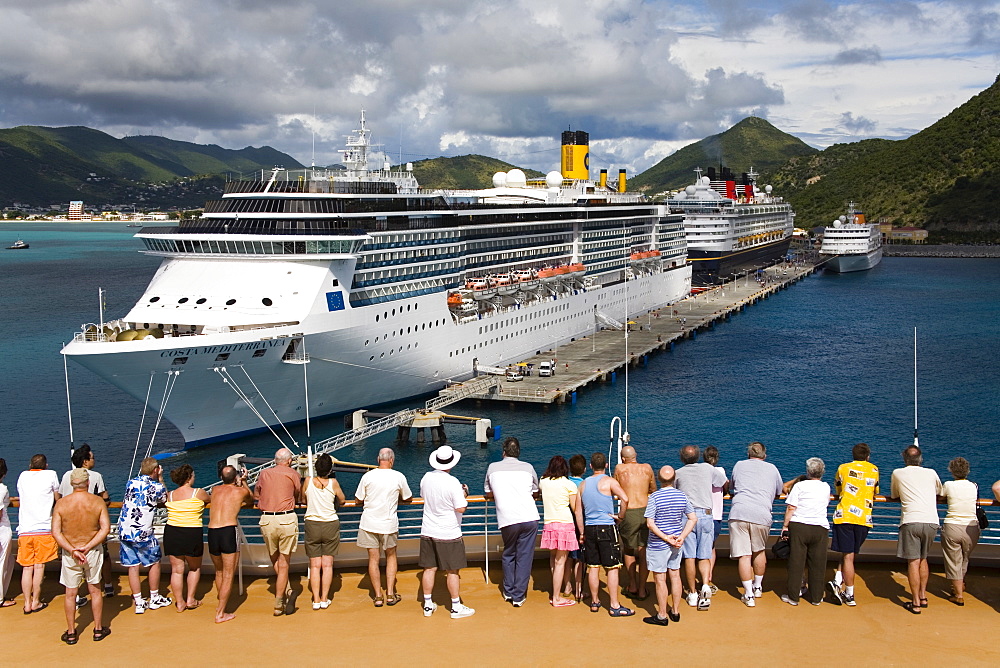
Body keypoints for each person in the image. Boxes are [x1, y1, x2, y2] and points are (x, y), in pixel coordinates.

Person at [51, 469, 111, 644]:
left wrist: (73, 550)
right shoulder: (97, 501)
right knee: (95, 590)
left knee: (70, 593)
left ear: (71, 483)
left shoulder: (61, 504)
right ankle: (98, 629)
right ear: (87, 483)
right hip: (91, 551)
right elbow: (104, 529)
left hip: (71, 553)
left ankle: (71, 632)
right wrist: (88, 546)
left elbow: (56, 532)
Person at [419, 445, 475, 618]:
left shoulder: (426, 478)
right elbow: (460, 508)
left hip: (428, 529)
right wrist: (463, 492)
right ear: (451, 463)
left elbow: (423, 496)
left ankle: (428, 605)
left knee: (429, 568)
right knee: (453, 571)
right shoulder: (453, 482)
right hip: (448, 532)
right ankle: (456, 607)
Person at [575, 452, 632, 616]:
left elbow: (579, 512)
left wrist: (582, 533)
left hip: (590, 528)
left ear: (591, 467)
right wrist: (620, 517)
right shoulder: (609, 481)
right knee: (612, 567)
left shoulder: (583, 485)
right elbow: (625, 499)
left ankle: (594, 601)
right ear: (606, 465)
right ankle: (614, 605)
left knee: (593, 567)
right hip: (607, 527)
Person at [484, 436, 539, 607]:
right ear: (518, 452)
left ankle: (508, 591)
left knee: (509, 553)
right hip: (529, 517)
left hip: (507, 519)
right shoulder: (528, 468)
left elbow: (487, 492)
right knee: (524, 556)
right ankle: (518, 595)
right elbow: (535, 491)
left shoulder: (493, 468)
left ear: (504, 452)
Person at [355, 447, 412, 608]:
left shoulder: (368, 476)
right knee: (391, 557)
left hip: (369, 523)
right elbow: (408, 497)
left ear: (378, 459)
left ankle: (378, 596)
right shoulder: (398, 476)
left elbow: (358, 499)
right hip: (388, 524)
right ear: (392, 460)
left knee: (373, 559)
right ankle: (390, 594)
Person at [888, 445, 943, 614]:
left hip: (911, 521)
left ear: (905, 458)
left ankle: (916, 602)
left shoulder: (898, 473)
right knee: (923, 558)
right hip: (931, 521)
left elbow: (895, 495)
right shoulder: (932, 473)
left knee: (913, 561)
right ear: (921, 459)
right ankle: (923, 595)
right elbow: (939, 492)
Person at [728, 441, 783, 607]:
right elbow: (779, 491)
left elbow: (732, 486)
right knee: (759, 552)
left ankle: (748, 594)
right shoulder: (772, 468)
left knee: (744, 555)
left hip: (739, 513)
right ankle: (758, 587)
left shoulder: (739, 465)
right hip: (762, 514)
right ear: (764, 455)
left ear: (748, 454)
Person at [59, 444, 114, 603]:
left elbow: (60, 497)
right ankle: (108, 585)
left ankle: (74, 595)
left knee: (71, 559)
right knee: (103, 555)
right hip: (92, 526)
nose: (94, 460)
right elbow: (105, 497)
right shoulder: (95, 476)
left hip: (69, 527)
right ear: (85, 462)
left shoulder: (66, 476)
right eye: (92, 458)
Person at [643, 466, 697, 627]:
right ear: (674, 480)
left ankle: (661, 615)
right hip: (676, 544)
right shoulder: (682, 496)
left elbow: (650, 523)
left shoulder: (655, 497)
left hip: (658, 544)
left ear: (659, 479)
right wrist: (681, 537)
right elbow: (692, 518)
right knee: (675, 576)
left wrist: (666, 538)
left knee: (660, 579)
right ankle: (675, 611)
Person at [674, 444, 726, 610]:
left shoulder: (678, 473)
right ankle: (704, 585)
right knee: (704, 554)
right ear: (698, 456)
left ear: (682, 458)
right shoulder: (707, 468)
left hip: (687, 517)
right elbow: (722, 482)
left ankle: (692, 593)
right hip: (706, 514)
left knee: (689, 556)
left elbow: (674, 492)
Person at [828, 442, 879, 606]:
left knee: (847, 555)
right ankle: (837, 581)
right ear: (868, 456)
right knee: (848, 553)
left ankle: (849, 594)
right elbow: (875, 491)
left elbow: (838, 488)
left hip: (845, 516)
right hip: (864, 518)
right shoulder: (874, 470)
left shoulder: (843, 468)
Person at [118, 457, 171, 614]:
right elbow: (164, 498)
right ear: (155, 470)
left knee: (133, 566)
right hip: (142, 532)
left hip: (125, 530)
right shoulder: (155, 486)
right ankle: (154, 597)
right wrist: (161, 478)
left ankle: (139, 601)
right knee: (154, 562)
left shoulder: (131, 482)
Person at [254, 447, 302, 616]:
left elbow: (257, 493)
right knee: (284, 562)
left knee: (274, 557)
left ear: (275, 460)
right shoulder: (293, 474)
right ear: (289, 461)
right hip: (286, 519)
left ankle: (286, 591)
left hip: (267, 519)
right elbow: (297, 492)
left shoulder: (264, 474)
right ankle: (280, 599)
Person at [780, 458, 831, 606]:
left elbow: (791, 507)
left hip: (799, 526)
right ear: (822, 472)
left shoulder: (799, 486)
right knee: (818, 564)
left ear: (808, 471)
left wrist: (785, 526)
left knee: (796, 562)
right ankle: (816, 597)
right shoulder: (826, 487)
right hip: (820, 527)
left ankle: (793, 596)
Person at [16, 454, 61, 614]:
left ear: (30, 465)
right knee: (39, 566)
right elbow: (57, 497)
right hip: (43, 528)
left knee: (27, 568)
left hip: (25, 529)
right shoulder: (51, 475)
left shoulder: (23, 476)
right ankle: (36, 601)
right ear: (46, 465)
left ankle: (27, 603)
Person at [207, 464, 252, 623]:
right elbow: (250, 498)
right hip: (228, 531)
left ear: (221, 478)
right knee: (228, 574)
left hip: (212, 531)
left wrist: (235, 481)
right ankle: (220, 612)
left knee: (219, 571)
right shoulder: (240, 491)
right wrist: (244, 481)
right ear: (235, 477)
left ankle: (222, 602)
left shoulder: (215, 490)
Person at [301, 453, 345, 610]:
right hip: (330, 524)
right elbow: (343, 499)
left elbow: (303, 499)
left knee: (314, 565)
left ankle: (316, 599)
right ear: (329, 470)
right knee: (327, 565)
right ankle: (325, 598)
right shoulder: (333, 483)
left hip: (312, 523)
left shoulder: (307, 481)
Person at [164, 464, 209, 612]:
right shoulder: (198, 493)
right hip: (191, 532)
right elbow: (210, 500)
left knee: (177, 570)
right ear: (189, 478)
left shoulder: (170, 495)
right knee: (194, 568)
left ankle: (180, 602)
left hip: (172, 532)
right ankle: (190, 599)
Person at [612, 445, 655, 600]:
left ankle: (633, 585)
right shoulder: (647, 468)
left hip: (629, 512)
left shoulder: (620, 469)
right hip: (645, 511)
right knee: (644, 551)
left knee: (629, 550)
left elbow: (615, 489)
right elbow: (653, 490)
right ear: (636, 455)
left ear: (623, 458)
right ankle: (643, 589)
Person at [538, 455, 579, 607]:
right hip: (565, 524)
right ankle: (556, 597)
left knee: (554, 558)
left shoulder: (543, 481)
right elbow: (574, 508)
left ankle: (556, 590)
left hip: (549, 524)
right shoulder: (569, 485)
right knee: (561, 562)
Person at [940, 457, 980, 606]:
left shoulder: (949, 485)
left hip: (953, 526)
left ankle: (958, 594)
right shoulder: (974, 486)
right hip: (971, 527)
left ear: (951, 470)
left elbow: (942, 495)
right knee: (964, 558)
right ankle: (960, 584)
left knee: (953, 560)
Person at [703, 446, 728, 592]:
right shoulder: (721, 471)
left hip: (700, 515)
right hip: (715, 515)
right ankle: (709, 577)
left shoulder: (701, 472)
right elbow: (725, 487)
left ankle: (701, 578)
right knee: (711, 547)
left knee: (698, 548)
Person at [564, 454, 587, 601]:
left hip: (566, 522)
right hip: (580, 524)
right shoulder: (585, 484)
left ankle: (567, 586)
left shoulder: (565, 483)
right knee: (579, 558)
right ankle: (579, 589)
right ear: (584, 469)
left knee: (567, 557)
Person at [0, 459, 16, 608]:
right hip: (2, 531)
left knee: (9, 561)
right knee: (3, 563)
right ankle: (0, 598)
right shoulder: (2, 489)